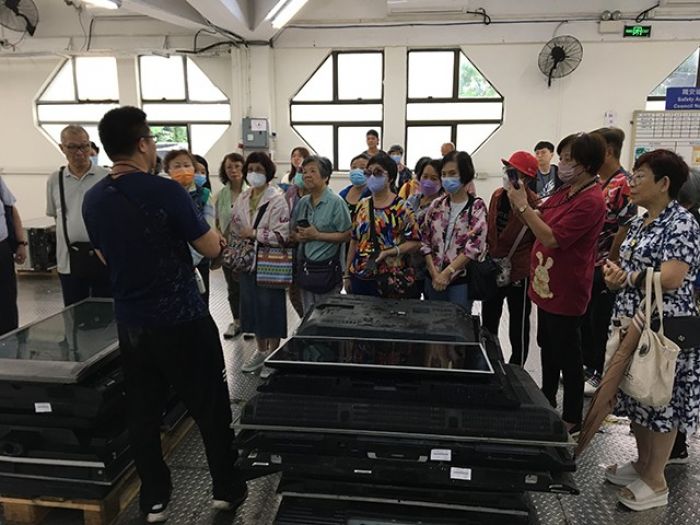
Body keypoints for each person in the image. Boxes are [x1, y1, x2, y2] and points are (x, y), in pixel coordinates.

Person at [82, 106, 246, 522]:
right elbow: (208, 247)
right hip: (182, 320)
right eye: (152, 141)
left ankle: (154, 499)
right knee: (209, 407)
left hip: (133, 324)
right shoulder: (166, 191)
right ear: (142, 144)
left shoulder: (93, 198)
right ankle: (226, 490)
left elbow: (103, 257)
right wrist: (218, 243)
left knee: (142, 413)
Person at [602, 149, 699, 512]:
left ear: (664, 183)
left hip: (664, 328)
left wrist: (626, 277)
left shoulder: (682, 223)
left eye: (640, 176)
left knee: (660, 400)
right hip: (634, 323)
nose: (632, 182)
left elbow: (672, 277)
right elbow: (629, 269)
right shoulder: (641, 221)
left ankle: (656, 480)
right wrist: (614, 279)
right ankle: (643, 465)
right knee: (636, 396)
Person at [507, 132, 606, 435]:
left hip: (566, 288)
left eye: (567, 159)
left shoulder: (591, 200)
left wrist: (523, 207)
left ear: (586, 165)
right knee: (547, 347)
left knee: (567, 354)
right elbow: (540, 217)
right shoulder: (568, 191)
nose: (560, 164)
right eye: (561, 157)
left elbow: (551, 237)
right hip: (546, 284)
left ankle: (572, 416)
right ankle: (547, 399)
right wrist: (521, 202)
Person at [582, 128, 636, 396]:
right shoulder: (597, 182)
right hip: (588, 262)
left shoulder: (622, 183)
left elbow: (625, 225)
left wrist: (612, 260)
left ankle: (598, 372)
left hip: (605, 265)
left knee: (600, 321)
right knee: (586, 319)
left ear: (608, 151)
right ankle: (587, 366)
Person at [231, 152, 290, 374]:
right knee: (252, 307)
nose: (254, 174)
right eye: (250, 169)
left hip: (270, 262)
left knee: (270, 307)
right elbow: (236, 227)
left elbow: (282, 236)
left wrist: (255, 233)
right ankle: (261, 350)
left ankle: (274, 355)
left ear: (268, 172)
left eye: (259, 170)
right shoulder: (243, 198)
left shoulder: (277, 199)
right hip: (247, 262)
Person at [481, 152, 539, 366]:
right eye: (507, 169)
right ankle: (490, 360)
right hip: (494, 266)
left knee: (519, 323)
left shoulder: (534, 204)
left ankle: (517, 368)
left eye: (514, 172)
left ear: (527, 179)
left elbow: (538, 239)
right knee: (489, 319)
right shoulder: (497, 196)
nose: (507, 175)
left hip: (519, 271)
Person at [46, 125, 111, 306]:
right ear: (62, 148)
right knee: (74, 311)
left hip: (103, 257)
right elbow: (56, 215)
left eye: (84, 146)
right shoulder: (55, 180)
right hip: (69, 260)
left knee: (106, 309)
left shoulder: (106, 177)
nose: (79, 152)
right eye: (72, 147)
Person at [345, 153, 420, 297]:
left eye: (378, 173)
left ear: (390, 178)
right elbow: (354, 240)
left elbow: (416, 242)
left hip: (390, 279)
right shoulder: (362, 205)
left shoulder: (402, 207)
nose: (372, 177)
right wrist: (347, 273)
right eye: (368, 173)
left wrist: (389, 252)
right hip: (360, 276)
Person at [421, 151, 487, 311]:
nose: (447, 179)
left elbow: (474, 247)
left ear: (465, 175)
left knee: (458, 321)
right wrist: (434, 273)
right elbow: (425, 239)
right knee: (432, 321)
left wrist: (448, 272)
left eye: (452, 174)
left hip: (460, 281)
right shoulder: (437, 204)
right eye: (443, 174)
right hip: (432, 279)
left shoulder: (476, 206)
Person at [292, 156, 351, 314]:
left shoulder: (336, 202)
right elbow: (292, 232)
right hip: (306, 268)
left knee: (326, 317)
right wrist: (299, 237)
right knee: (308, 315)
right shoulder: (303, 202)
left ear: (325, 177)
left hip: (328, 270)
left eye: (313, 171)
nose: (307, 175)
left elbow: (347, 235)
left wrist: (318, 235)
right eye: (304, 172)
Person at [163, 149, 215, 305]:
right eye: (177, 166)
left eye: (187, 165)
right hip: (170, 262)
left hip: (198, 261)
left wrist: (192, 259)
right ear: (168, 170)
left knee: (200, 303)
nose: (183, 170)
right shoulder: (163, 194)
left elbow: (208, 229)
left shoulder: (204, 195)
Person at [216, 152, 246, 339]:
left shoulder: (253, 192)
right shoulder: (221, 195)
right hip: (228, 248)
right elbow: (215, 222)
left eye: (237, 166)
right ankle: (237, 321)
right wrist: (219, 235)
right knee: (233, 288)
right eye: (229, 167)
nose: (233, 170)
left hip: (249, 248)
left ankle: (251, 323)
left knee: (249, 287)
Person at [406, 158, 443, 297]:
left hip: (431, 268)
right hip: (409, 265)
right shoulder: (412, 200)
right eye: (425, 176)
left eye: (434, 178)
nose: (428, 181)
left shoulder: (442, 205)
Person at [283, 147, 311, 319]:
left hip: (312, 250)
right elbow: (283, 215)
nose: (304, 175)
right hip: (292, 248)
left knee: (310, 290)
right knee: (294, 292)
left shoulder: (320, 194)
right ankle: (303, 320)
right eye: (301, 172)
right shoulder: (291, 191)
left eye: (307, 171)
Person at [0, 177, 27, 336]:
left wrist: (20, 243)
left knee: (7, 302)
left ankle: (10, 341)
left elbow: (11, 209)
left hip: (2, 249)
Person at [339, 153, 371, 220]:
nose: (357, 170)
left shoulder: (372, 194)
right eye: (354, 167)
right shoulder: (343, 194)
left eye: (362, 168)